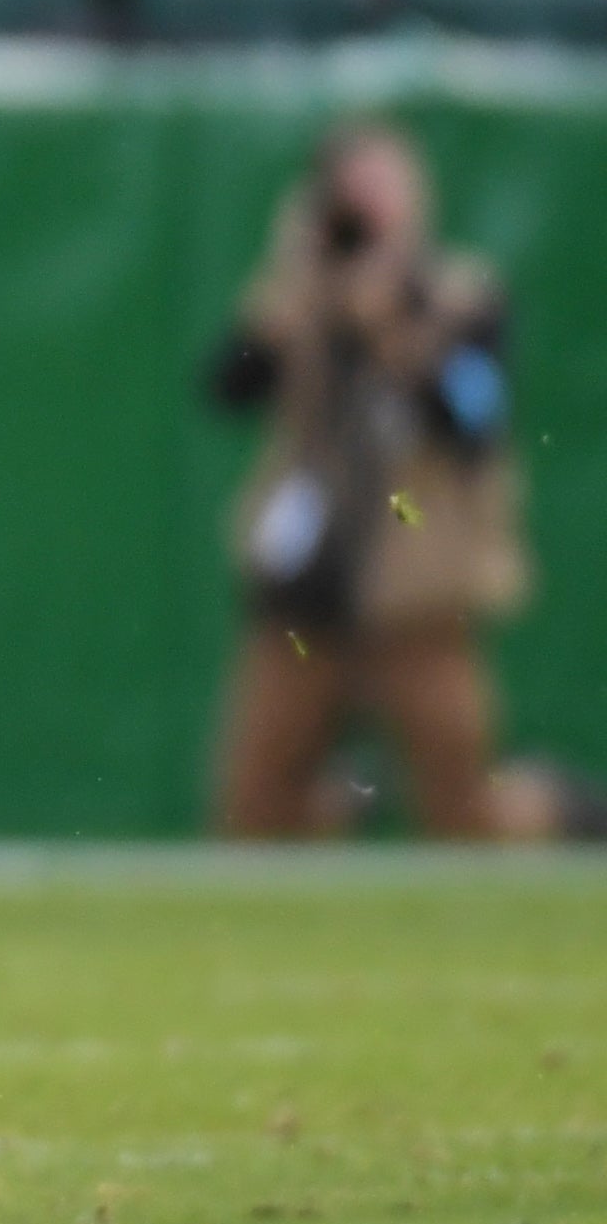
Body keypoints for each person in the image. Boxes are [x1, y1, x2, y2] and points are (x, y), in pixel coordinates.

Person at [205, 122, 560, 841]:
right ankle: (338, 813)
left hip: (419, 598)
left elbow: (474, 419)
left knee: (465, 813)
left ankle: (554, 809)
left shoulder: (460, 297)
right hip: (306, 595)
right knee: (254, 805)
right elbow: (228, 386)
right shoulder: (300, 303)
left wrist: (400, 331)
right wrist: (292, 293)